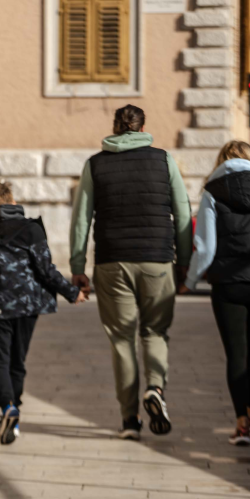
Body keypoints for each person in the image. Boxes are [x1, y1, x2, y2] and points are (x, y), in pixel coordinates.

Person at [68, 105, 193, 441]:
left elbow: (81, 219)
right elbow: (182, 215)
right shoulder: (164, 161)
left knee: (121, 340)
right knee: (155, 332)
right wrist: (183, 264)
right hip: (158, 261)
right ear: (142, 127)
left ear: (116, 127)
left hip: (112, 263)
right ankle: (155, 388)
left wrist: (78, 268)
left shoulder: (95, 164)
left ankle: (129, 420)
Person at [180, 140, 250, 446]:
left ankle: (241, 423)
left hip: (227, 286)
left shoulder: (212, 191)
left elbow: (205, 247)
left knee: (236, 354)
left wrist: (190, 281)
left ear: (222, 159)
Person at [0, 181, 86, 444]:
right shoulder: (32, 229)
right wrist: (72, 293)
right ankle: (15, 411)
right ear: (13, 202)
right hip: (27, 305)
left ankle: (7, 408)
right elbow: (46, 270)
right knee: (17, 360)